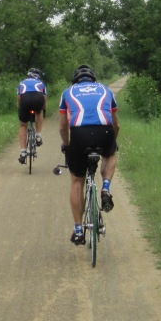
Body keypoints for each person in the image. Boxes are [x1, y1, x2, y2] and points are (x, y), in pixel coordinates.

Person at [58, 65, 119, 245]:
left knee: (77, 181)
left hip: (79, 134)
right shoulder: (106, 90)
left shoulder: (67, 92)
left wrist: (68, 145)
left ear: (76, 80)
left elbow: (62, 127)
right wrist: (111, 143)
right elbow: (116, 125)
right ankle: (106, 188)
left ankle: (78, 231)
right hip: (105, 132)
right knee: (110, 154)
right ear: (93, 79)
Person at [17, 68, 47, 164]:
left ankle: (23, 152)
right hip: (38, 98)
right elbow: (44, 97)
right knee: (39, 112)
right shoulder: (40, 83)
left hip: (25, 100)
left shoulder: (22, 83)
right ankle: (38, 136)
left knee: (22, 125)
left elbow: (18, 97)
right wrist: (44, 108)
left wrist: (20, 109)